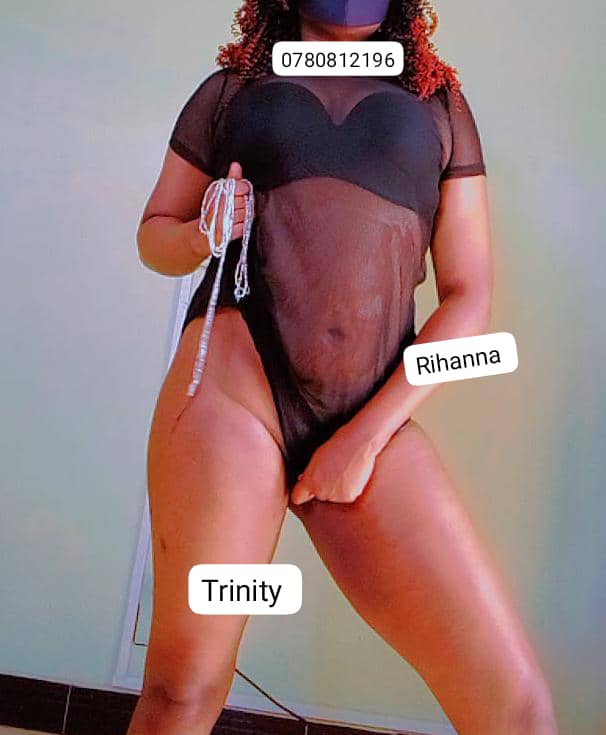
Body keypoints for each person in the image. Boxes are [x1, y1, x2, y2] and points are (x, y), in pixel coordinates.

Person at [131, 1, 559, 733]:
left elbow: (470, 298)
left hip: (370, 413)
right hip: (235, 395)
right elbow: (154, 237)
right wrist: (203, 231)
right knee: (183, 691)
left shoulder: (441, 105)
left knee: (517, 709)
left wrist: (363, 439)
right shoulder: (232, 90)